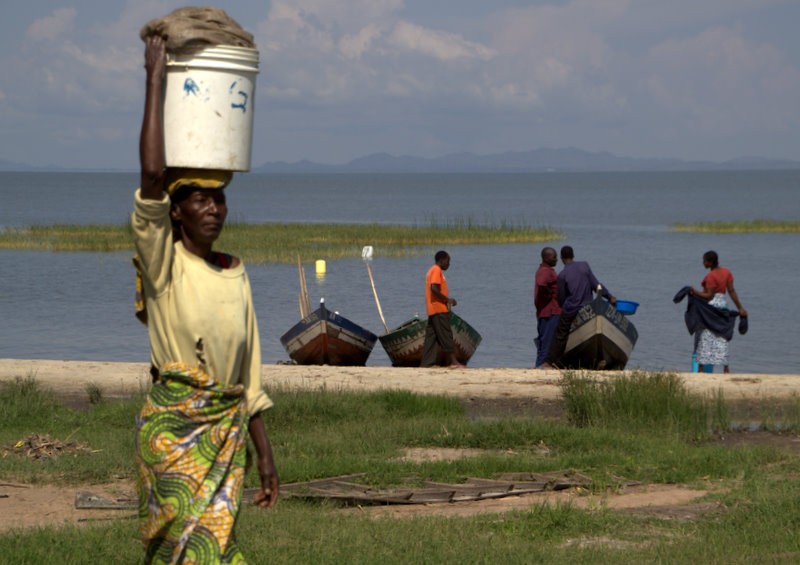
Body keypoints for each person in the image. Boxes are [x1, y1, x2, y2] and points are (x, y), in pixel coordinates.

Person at [133, 35, 278, 564]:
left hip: (225, 433)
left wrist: (264, 455)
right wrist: (155, 77)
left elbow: (250, 378)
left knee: (215, 547)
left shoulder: (235, 274)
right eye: (199, 198)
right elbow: (152, 177)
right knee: (188, 550)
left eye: (219, 197)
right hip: (173, 431)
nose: (213, 207)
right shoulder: (163, 264)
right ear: (177, 212)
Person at [540, 246, 616, 369]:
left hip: (571, 309)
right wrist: (609, 296)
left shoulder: (562, 275)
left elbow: (561, 298)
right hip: (588, 307)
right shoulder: (584, 266)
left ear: (562, 258)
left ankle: (549, 362)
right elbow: (596, 285)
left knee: (560, 335)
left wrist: (562, 307)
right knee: (562, 331)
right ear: (573, 255)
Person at [689, 250, 748, 373]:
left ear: (710, 262)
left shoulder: (711, 276)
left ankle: (700, 367)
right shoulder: (727, 272)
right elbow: (731, 291)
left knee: (704, 336)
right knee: (721, 337)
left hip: (710, 308)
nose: (703, 262)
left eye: (704, 260)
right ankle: (725, 368)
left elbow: (709, 296)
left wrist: (695, 292)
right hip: (722, 305)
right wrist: (740, 308)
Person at [421, 250, 464, 368]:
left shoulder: (431, 270)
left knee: (432, 337)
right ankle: (453, 361)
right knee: (446, 334)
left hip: (432, 309)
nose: (449, 264)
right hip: (439, 309)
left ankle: (427, 363)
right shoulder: (436, 270)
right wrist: (447, 300)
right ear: (441, 260)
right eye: (448, 261)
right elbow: (434, 288)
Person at [534, 247, 562, 368]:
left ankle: (539, 365)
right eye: (554, 257)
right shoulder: (545, 271)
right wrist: (549, 294)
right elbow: (541, 284)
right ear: (546, 258)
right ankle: (540, 366)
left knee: (543, 341)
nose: (556, 259)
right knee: (547, 341)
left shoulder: (545, 269)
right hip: (550, 312)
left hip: (545, 311)